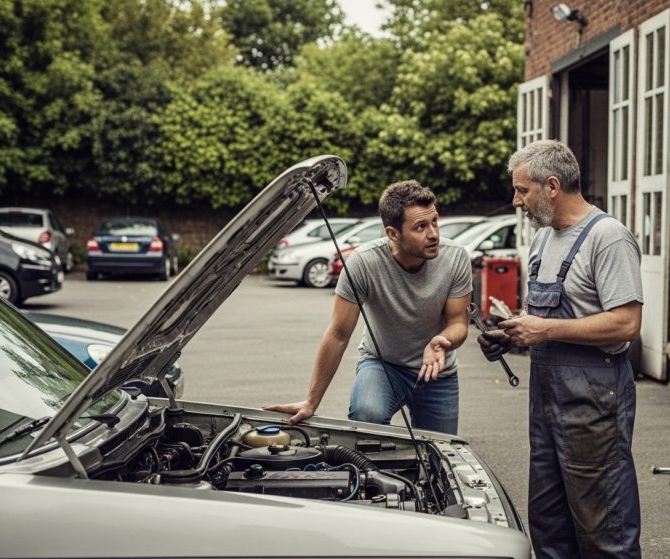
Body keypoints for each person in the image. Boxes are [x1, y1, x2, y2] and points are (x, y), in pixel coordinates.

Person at [478, 140, 644, 558]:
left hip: (594, 402)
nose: (516, 201)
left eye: (522, 190)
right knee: (549, 527)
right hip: (547, 403)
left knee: (603, 528)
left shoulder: (607, 238)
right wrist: (511, 334)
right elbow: (543, 322)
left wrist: (544, 329)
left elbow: (626, 324)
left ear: (552, 186)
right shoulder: (543, 240)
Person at [266, 180, 472, 435]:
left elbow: (458, 323)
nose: (433, 234)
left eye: (435, 222)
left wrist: (442, 341)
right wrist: (311, 401)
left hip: (437, 370)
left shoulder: (455, 257)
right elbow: (338, 334)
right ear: (393, 234)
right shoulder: (364, 263)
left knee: (441, 449)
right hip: (384, 365)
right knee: (366, 416)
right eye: (420, 226)